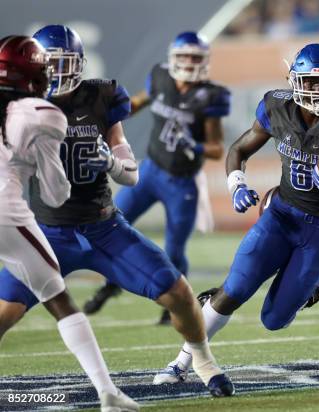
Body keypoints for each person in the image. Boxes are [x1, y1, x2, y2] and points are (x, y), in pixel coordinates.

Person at [0, 25, 234, 397]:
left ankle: (204, 361)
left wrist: (110, 161)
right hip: (47, 233)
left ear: (79, 64)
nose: (56, 74)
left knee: (180, 295)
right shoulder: (18, 109)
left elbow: (131, 173)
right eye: (48, 66)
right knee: (4, 313)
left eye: (63, 64)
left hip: (104, 227)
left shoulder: (101, 96)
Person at [153, 43, 319, 384]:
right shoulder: (277, 106)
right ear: (294, 79)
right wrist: (237, 184)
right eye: (311, 82)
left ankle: (316, 282)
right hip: (282, 215)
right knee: (236, 289)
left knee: (275, 319)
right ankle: (181, 363)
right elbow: (239, 148)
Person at [0, 34, 139, 411]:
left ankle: (108, 393)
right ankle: (107, 393)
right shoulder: (40, 114)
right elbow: (57, 193)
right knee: (59, 298)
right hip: (7, 216)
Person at [83, 31, 230, 325]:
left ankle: (176, 303)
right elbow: (136, 102)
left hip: (181, 182)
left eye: (195, 57)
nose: (189, 62)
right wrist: (106, 117)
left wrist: (195, 146)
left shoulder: (212, 95)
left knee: (175, 248)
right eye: (184, 56)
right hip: (150, 171)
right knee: (113, 223)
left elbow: (216, 149)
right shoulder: (160, 76)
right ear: (173, 58)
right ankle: (111, 285)